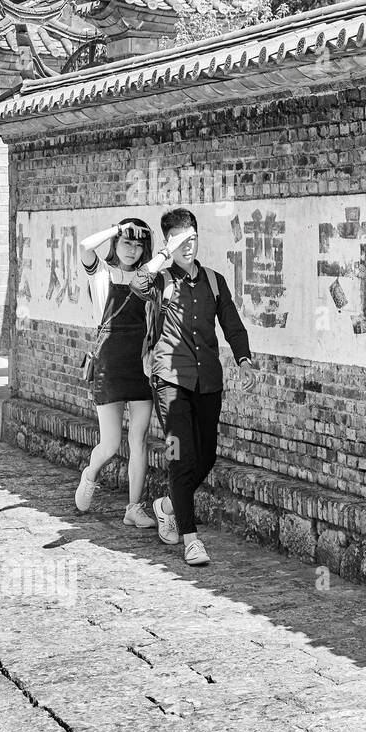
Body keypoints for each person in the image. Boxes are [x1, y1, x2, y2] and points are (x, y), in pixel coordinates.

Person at [131, 208, 256, 566]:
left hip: (207, 381)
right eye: (181, 240)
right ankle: (191, 539)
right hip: (169, 382)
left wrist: (244, 359)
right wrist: (161, 256)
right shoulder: (160, 279)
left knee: (207, 456)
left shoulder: (214, 281)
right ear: (170, 243)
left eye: (193, 238)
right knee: (179, 457)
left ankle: (168, 505)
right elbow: (138, 283)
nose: (189, 245)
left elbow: (232, 325)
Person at [74, 218, 160, 528]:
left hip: (139, 364)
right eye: (127, 242)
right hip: (109, 365)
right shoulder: (101, 272)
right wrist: (117, 228)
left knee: (139, 440)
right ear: (116, 243)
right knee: (110, 444)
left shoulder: (147, 278)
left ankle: (134, 507)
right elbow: (84, 246)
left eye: (138, 245)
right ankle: (90, 473)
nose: (132, 249)